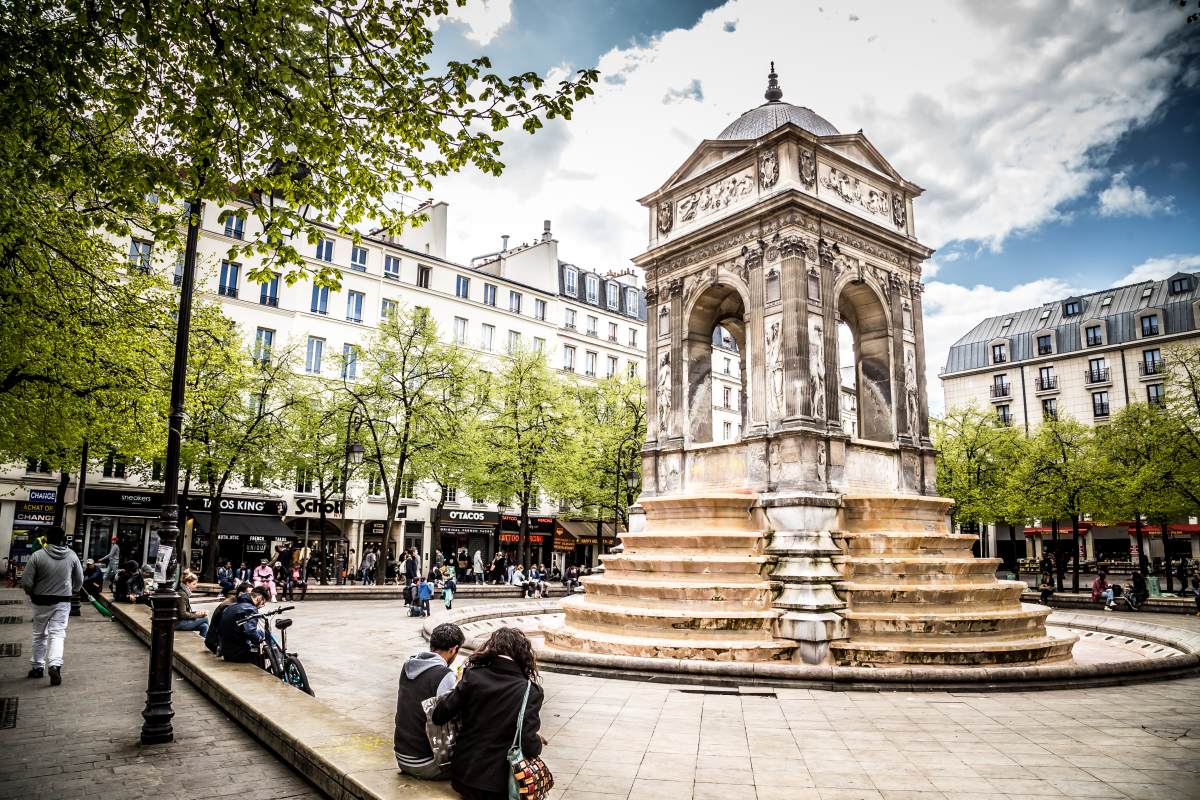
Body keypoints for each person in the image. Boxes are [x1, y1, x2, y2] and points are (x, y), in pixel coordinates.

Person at [433, 628, 544, 800]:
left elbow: (439, 715)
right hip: (500, 787)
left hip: (463, 777)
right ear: (522, 655)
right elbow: (529, 745)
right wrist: (536, 740)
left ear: (490, 648)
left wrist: (458, 684)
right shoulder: (530, 690)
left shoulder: (473, 676)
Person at [394, 623, 465, 779]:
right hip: (425, 763)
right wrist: (459, 684)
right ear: (453, 649)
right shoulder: (444, 675)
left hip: (402, 757)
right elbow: (450, 717)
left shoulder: (408, 665)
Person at [20, 526, 83, 686]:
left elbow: (26, 581)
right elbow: (79, 580)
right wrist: (73, 590)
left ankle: (37, 666)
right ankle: (55, 664)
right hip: (63, 600)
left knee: (39, 634)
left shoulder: (37, 556)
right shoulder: (72, 556)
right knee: (58, 633)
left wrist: (32, 593)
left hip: (40, 600)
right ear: (64, 539)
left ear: (46, 539)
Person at [219, 585, 271, 664]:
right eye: (263, 603)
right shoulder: (250, 609)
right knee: (266, 652)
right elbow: (250, 632)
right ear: (259, 598)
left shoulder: (233, 605)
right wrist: (261, 641)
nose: (261, 606)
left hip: (226, 649)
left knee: (260, 633)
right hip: (237, 654)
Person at [206, 581, 252, 654]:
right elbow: (227, 629)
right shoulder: (231, 606)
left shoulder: (235, 602)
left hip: (217, 641)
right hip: (216, 643)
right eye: (249, 594)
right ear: (241, 594)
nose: (252, 596)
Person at [175, 572, 210, 636]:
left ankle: (204, 643)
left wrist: (196, 613)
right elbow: (183, 614)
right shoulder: (182, 594)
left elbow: (184, 612)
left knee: (204, 626)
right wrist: (199, 616)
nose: (195, 586)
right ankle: (211, 640)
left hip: (180, 621)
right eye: (194, 584)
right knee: (205, 618)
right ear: (188, 583)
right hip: (178, 623)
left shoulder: (183, 592)